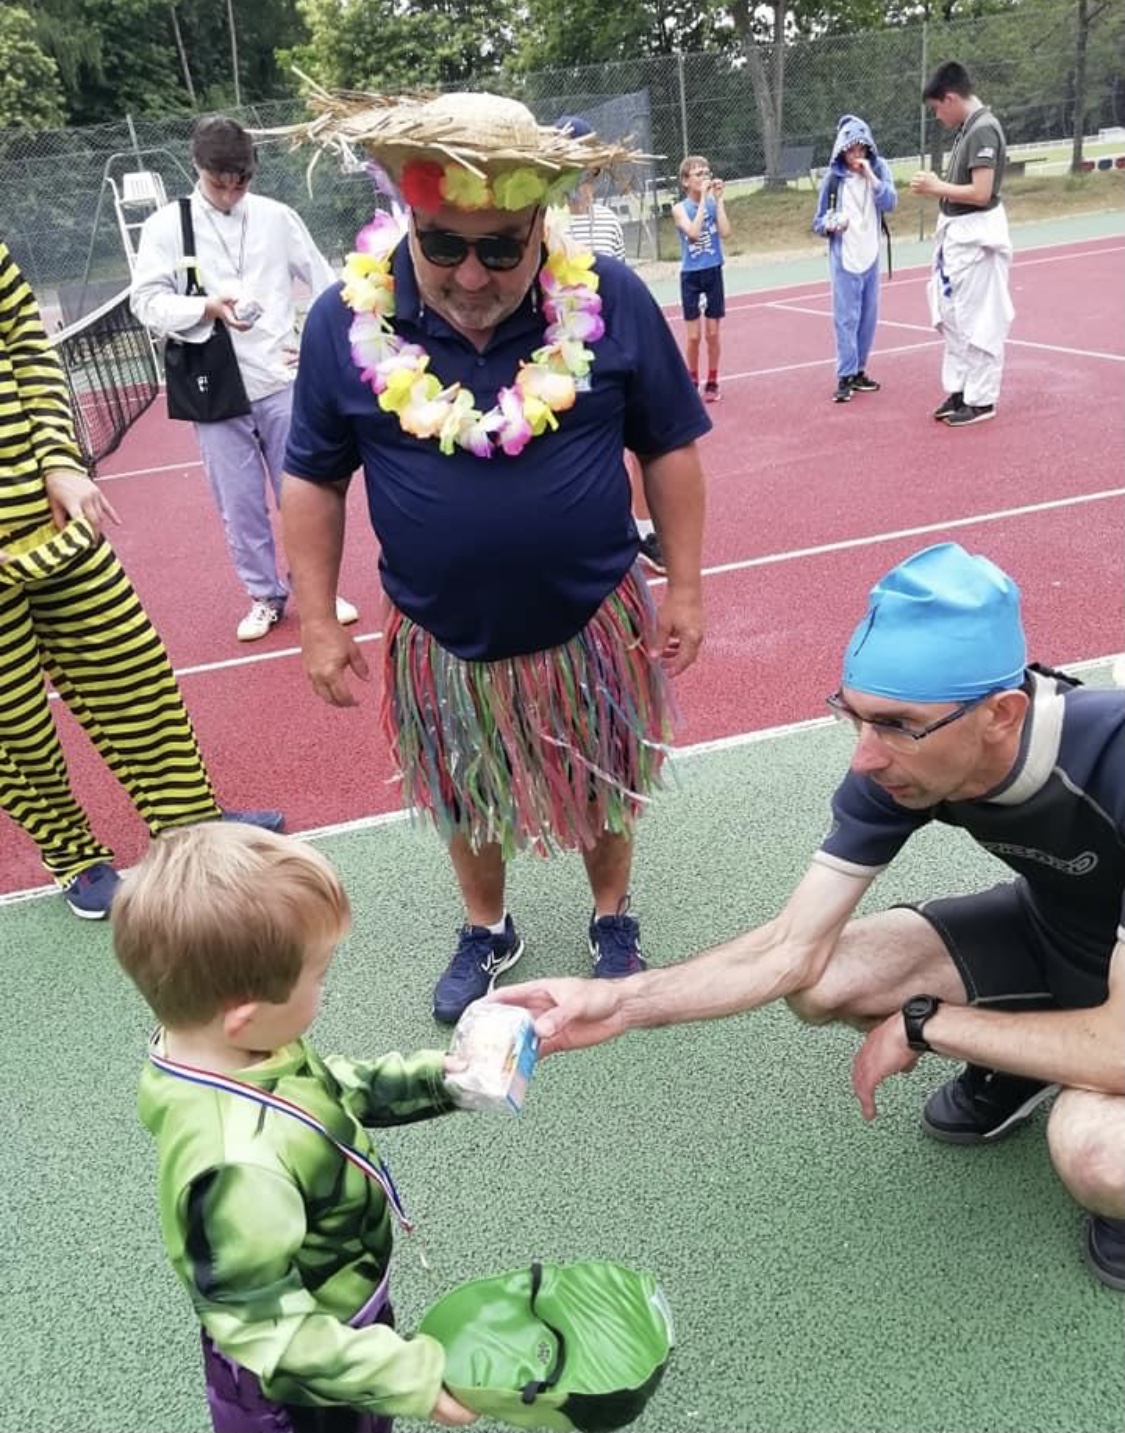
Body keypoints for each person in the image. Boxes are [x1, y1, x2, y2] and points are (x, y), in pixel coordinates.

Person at [496, 542, 1125, 1291]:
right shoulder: (902, 768)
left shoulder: (1110, 757)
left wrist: (928, 1024)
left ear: (1001, 713)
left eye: (894, 723)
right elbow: (791, 947)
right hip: (1060, 939)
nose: (864, 756)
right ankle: (1024, 1062)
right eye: (852, 716)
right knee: (827, 980)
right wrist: (619, 1001)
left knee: (1096, 1156)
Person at [280, 91, 708, 1024]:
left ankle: (611, 916)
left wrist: (685, 585)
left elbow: (669, 444)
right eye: (442, 245)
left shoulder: (610, 297)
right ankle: (486, 927)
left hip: (594, 614)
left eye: (500, 248)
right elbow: (313, 479)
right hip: (440, 632)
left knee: (604, 773)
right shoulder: (344, 320)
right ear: (407, 219)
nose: (470, 275)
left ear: (539, 224)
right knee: (461, 788)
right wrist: (315, 621)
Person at [112, 822, 478, 1430]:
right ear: (245, 1016)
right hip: (297, 1392)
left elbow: (325, 1090)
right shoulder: (237, 1166)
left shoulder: (233, 1052)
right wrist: (401, 1375)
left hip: (338, 1324)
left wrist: (441, 1079)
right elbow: (268, 1331)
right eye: (320, 975)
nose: (325, 988)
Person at [0, 238, 283, 920]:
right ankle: (73, 856)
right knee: (15, 731)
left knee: (136, 674)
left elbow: (31, 352)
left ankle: (189, 825)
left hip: (52, 521)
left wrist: (61, 460)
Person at [130, 116, 360, 641]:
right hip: (215, 386)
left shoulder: (277, 217)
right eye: (220, 182)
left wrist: (322, 346)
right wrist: (206, 306)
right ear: (198, 169)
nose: (232, 192)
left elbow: (326, 286)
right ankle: (264, 596)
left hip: (281, 378)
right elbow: (145, 302)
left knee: (305, 491)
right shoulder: (168, 225)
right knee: (238, 503)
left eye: (243, 181)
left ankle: (315, 589)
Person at [555, 114, 664, 575]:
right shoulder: (547, 221)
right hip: (561, 350)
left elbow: (618, 287)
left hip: (609, 348)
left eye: (589, 163)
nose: (582, 175)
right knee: (575, 443)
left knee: (641, 439)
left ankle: (640, 530)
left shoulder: (608, 222)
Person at [910, 61, 1013, 428]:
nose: (938, 116)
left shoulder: (983, 130)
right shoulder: (969, 128)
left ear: (951, 98)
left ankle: (981, 399)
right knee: (951, 314)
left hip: (976, 233)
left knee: (978, 317)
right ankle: (962, 389)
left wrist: (936, 187)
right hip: (956, 232)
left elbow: (982, 192)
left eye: (938, 108)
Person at [812, 114, 897, 404]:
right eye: (850, 150)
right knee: (845, 317)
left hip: (871, 254)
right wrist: (830, 224)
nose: (856, 156)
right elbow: (817, 222)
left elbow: (891, 202)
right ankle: (845, 374)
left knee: (869, 316)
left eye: (861, 149)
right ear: (841, 150)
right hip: (845, 257)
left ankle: (860, 369)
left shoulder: (880, 168)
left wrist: (871, 177)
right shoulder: (833, 180)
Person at [672, 155, 731, 403]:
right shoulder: (679, 209)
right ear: (686, 181)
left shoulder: (711, 203)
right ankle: (692, 378)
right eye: (698, 174)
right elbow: (694, 234)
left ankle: (713, 380)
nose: (704, 177)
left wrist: (718, 201)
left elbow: (726, 232)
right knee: (694, 336)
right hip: (691, 275)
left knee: (712, 334)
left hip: (713, 271)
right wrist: (703, 203)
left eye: (706, 173)